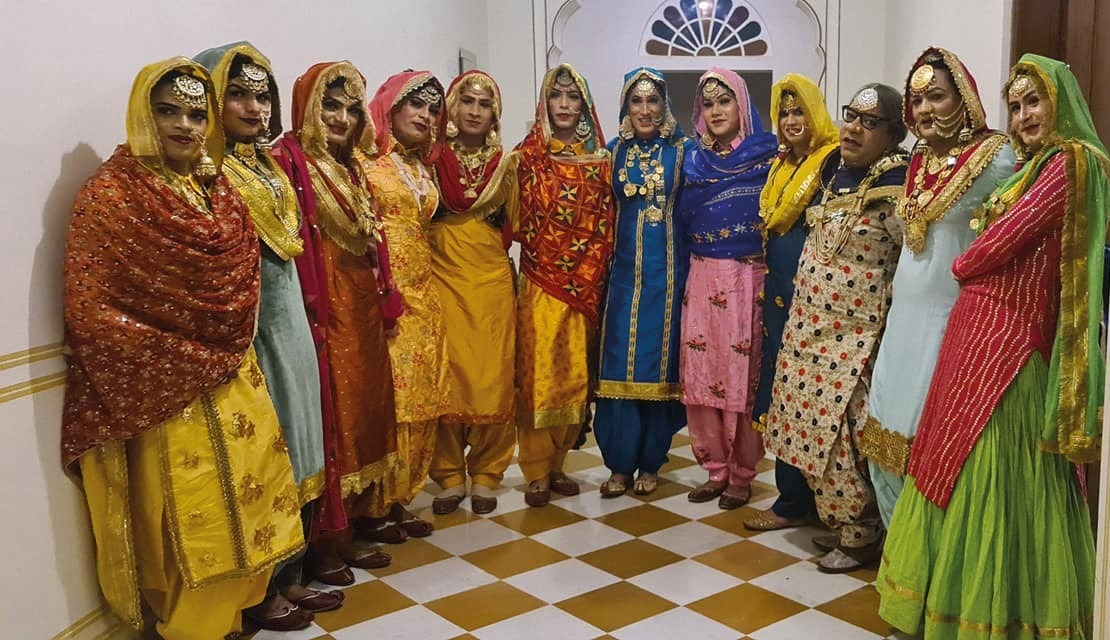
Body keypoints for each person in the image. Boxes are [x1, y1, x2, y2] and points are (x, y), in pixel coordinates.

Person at [62, 58, 304, 639]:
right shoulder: (111, 197)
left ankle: (233, 613)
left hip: (232, 373)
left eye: (197, 113)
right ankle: (191, 626)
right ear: (142, 113)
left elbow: (241, 275)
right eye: (167, 110)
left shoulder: (214, 188)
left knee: (249, 493)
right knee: (190, 513)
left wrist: (219, 346)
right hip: (163, 388)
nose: (186, 125)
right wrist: (184, 357)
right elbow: (90, 309)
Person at [878, 53, 1105, 639]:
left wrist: (962, 261)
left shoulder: (1070, 162)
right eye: (1018, 105)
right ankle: (948, 605)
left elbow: (996, 243)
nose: (1025, 116)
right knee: (953, 464)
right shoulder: (1032, 165)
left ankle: (995, 614)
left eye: (1036, 102)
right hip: (977, 327)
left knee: (993, 474)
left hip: (1009, 339)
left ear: (1063, 103)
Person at [195, 41, 343, 631]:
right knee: (267, 450)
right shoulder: (209, 170)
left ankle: (292, 571)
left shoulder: (268, 163)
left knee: (304, 437)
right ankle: (261, 588)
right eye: (238, 94)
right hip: (249, 331)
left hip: (291, 321)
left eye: (262, 95)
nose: (254, 108)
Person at [861, 48, 1015, 527]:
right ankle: (901, 557)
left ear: (965, 99)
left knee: (930, 441)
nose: (925, 109)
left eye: (937, 97)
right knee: (884, 437)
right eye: (918, 99)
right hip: (903, 322)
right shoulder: (919, 160)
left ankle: (932, 566)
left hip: (952, 323)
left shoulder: (998, 157)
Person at [762, 83, 908, 572]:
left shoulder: (896, 182)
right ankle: (839, 522)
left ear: (892, 134)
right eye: (851, 116)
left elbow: (909, 260)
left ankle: (863, 531)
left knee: (842, 435)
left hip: (854, 335)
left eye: (869, 123)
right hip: (809, 328)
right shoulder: (832, 171)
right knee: (807, 427)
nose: (853, 128)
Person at [272, 60, 398, 583]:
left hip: (361, 306)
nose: (342, 117)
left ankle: (365, 514)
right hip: (321, 309)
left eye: (351, 108)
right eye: (330, 105)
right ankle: (328, 539)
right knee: (334, 414)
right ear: (306, 106)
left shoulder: (350, 168)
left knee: (368, 405)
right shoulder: (289, 162)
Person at [513, 63, 615, 506]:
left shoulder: (602, 161)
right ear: (545, 102)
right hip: (540, 278)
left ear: (585, 105)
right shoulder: (527, 157)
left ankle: (557, 465)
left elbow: (610, 220)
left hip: (586, 283)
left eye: (574, 97)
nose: (566, 105)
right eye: (558, 96)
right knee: (538, 372)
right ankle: (535, 470)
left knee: (575, 372)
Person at [677, 67, 777, 509]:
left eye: (725, 101)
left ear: (743, 105)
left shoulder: (767, 157)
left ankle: (741, 472)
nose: (716, 111)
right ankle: (714, 469)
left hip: (747, 277)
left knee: (742, 376)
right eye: (708, 103)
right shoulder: (693, 161)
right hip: (701, 276)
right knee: (701, 374)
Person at [743, 73, 839, 532]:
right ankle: (790, 497)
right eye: (784, 112)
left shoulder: (832, 163)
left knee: (813, 398)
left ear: (816, 112)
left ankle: (824, 501)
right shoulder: (781, 166)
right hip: (778, 298)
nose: (791, 120)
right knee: (782, 395)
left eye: (799, 110)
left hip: (817, 301)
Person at [594, 67, 691, 498]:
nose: (646, 110)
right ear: (625, 106)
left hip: (669, 280)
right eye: (637, 101)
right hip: (621, 280)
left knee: (659, 367)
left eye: (653, 101)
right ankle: (618, 466)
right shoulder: (611, 153)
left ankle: (651, 462)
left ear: (665, 105)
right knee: (617, 364)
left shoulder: (685, 151)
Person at [358, 70, 447, 533]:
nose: (425, 115)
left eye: (433, 108)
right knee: (391, 397)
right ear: (390, 108)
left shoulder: (420, 167)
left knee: (419, 394)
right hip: (384, 292)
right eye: (416, 104)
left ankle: (399, 499)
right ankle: (373, 505)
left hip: (424, 290)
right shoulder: (365, 163)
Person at [428, 71, 519, 515]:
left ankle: (486, 472)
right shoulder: (430, 159)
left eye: (484, 105)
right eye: (468, 103)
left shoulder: (507, 164)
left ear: (494, 114)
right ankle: (447, 474)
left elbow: (516, 224)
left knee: (491, 376)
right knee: (448, 373)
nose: (475, 112)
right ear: (453, 108)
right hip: (442, 274)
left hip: (490, 281)